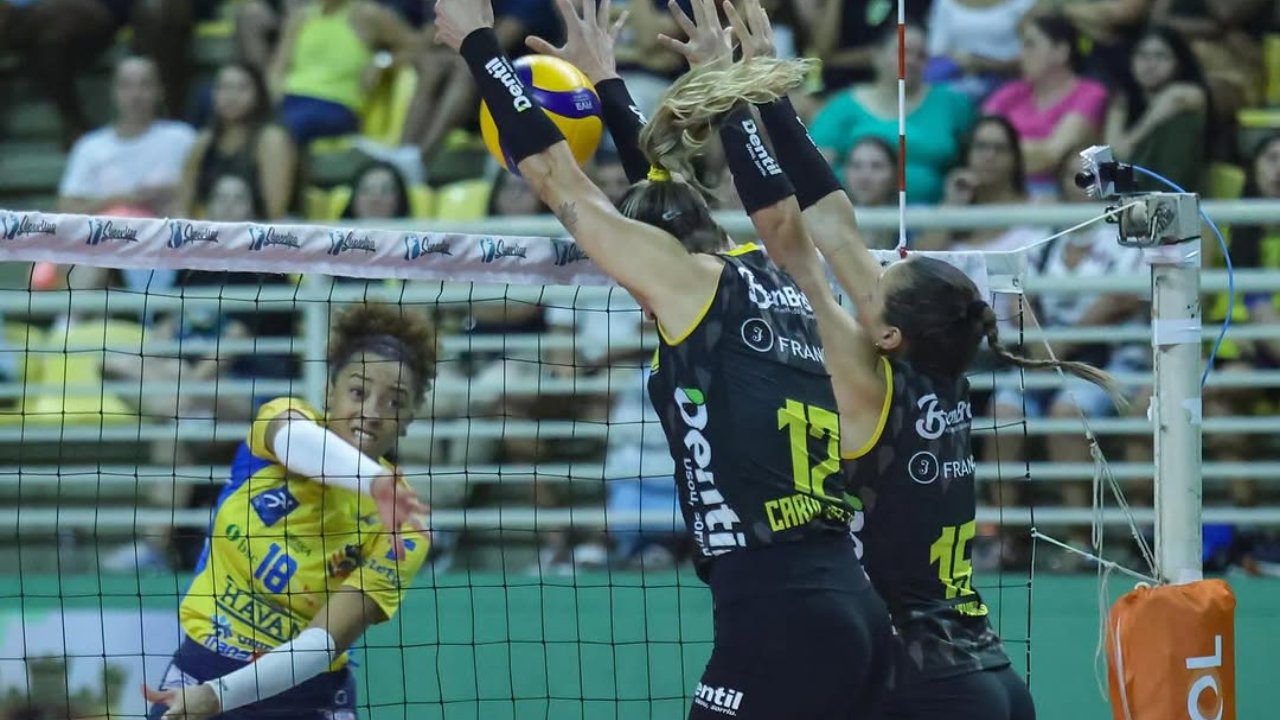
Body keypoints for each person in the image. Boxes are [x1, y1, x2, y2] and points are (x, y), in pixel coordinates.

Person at [434, 0, 895, 716]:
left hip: (780, 611)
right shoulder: (768, 278)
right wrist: (607, 85)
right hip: (847, 597)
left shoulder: (691, 288)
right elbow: (666, 197)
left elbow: (561, 181)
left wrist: (479, 48)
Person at [712, 1, 1120, 716]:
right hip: (990, 675)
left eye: (877, 287)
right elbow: (836, 223)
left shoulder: (875, 386)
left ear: (891, 333)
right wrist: (770, 89)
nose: (868, 275)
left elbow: (793, 241)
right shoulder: (944, 376)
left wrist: (728, 96)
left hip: (926, 685)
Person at [141, 304, 435, 720]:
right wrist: (373, 481)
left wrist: (220, 696)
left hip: (304, 695)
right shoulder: (281, 421)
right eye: (358, 391)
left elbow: (322, 644)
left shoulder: (406, 525)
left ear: (408, 419)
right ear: (330, 391)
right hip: (202, 668)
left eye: (394, 402)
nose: (372, 410)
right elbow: (297, 441)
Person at [809, 21, 975, 204]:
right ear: (877, 56)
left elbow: (973, 159)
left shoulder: (953, 103)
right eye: (902, 52)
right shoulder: (841, 106)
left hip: (936, 215)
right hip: (859, 215)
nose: (911, 61)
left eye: (921, 56)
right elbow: (815, 171)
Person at [983, 14, 1108, 196]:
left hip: (1058, 196)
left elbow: (1052, 155)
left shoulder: (1090, 94)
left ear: (1061, 52)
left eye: (1030, 45)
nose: (1021, 55)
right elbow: (977, 145)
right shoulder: (1009, 93)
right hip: (1004, 193)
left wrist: (1000, 154)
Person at [57, 56, 197, 218]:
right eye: (126, 86)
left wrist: (168, 193)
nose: (135, 95)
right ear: (113, 92)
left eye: (145, 85)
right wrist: (119, 200)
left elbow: (202, 193)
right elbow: (66, 208)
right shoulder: (90, 147)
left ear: (160, 91)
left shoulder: (182, 138)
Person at [180, 62, 300, 220]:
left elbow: (275, 214)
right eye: (224, 88)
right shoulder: (203, 141)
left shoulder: (271, 140)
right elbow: (183, 207)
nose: (231, 96)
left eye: (242, 88)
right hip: (212, 234)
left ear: (259, 94)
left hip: (261, 236)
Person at [1104, 25, 1210, 192]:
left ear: (1178, 62)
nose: (1150, 64)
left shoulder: (1190, 95)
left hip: (1173, 191)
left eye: (1161, 56)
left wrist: (1133, 139)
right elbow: (1114, 152)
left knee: (1180, 124)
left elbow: (1174, 98)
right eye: (1142, 55)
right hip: (1127, 194)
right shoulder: (1124, 98)